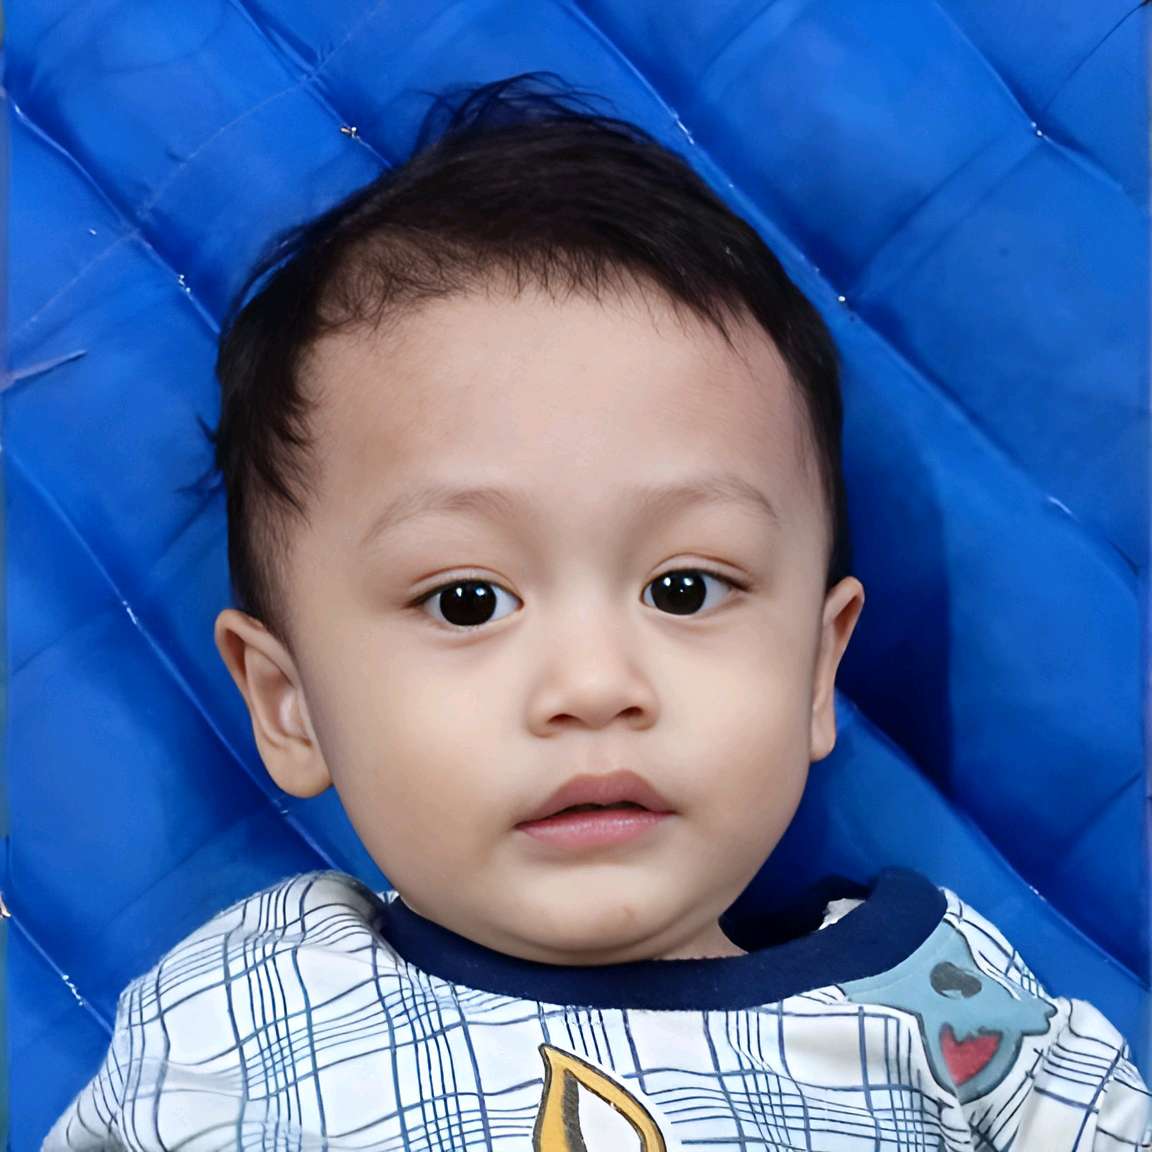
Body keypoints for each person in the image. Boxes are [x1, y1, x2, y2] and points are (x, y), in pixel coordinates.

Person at [44, 72, 1151, 1151]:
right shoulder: (248, 1008)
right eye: (468, 602)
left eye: (684, 589)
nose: (593, 686)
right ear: (289, 705)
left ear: (818, 673)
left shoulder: (941, 1006)